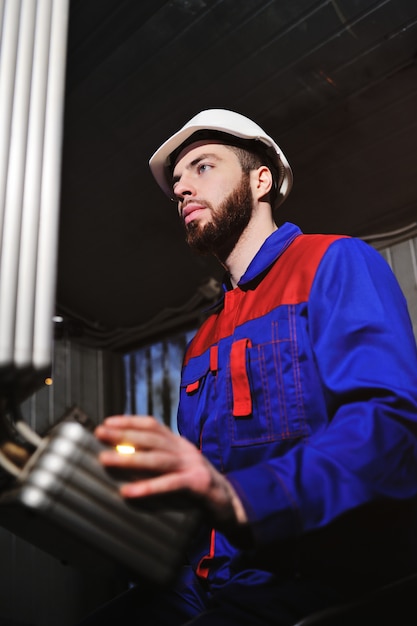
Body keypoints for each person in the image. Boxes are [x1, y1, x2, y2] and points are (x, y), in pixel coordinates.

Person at [80, 109, 417, 625]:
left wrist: (242, 497)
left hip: (313, 577)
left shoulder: (333, 262)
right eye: (176, 182)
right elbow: (201, 485)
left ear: (261, 180)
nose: (182, 190)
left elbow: (388, 429)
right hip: (210, 578)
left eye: (203, 167)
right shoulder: (203, 339)